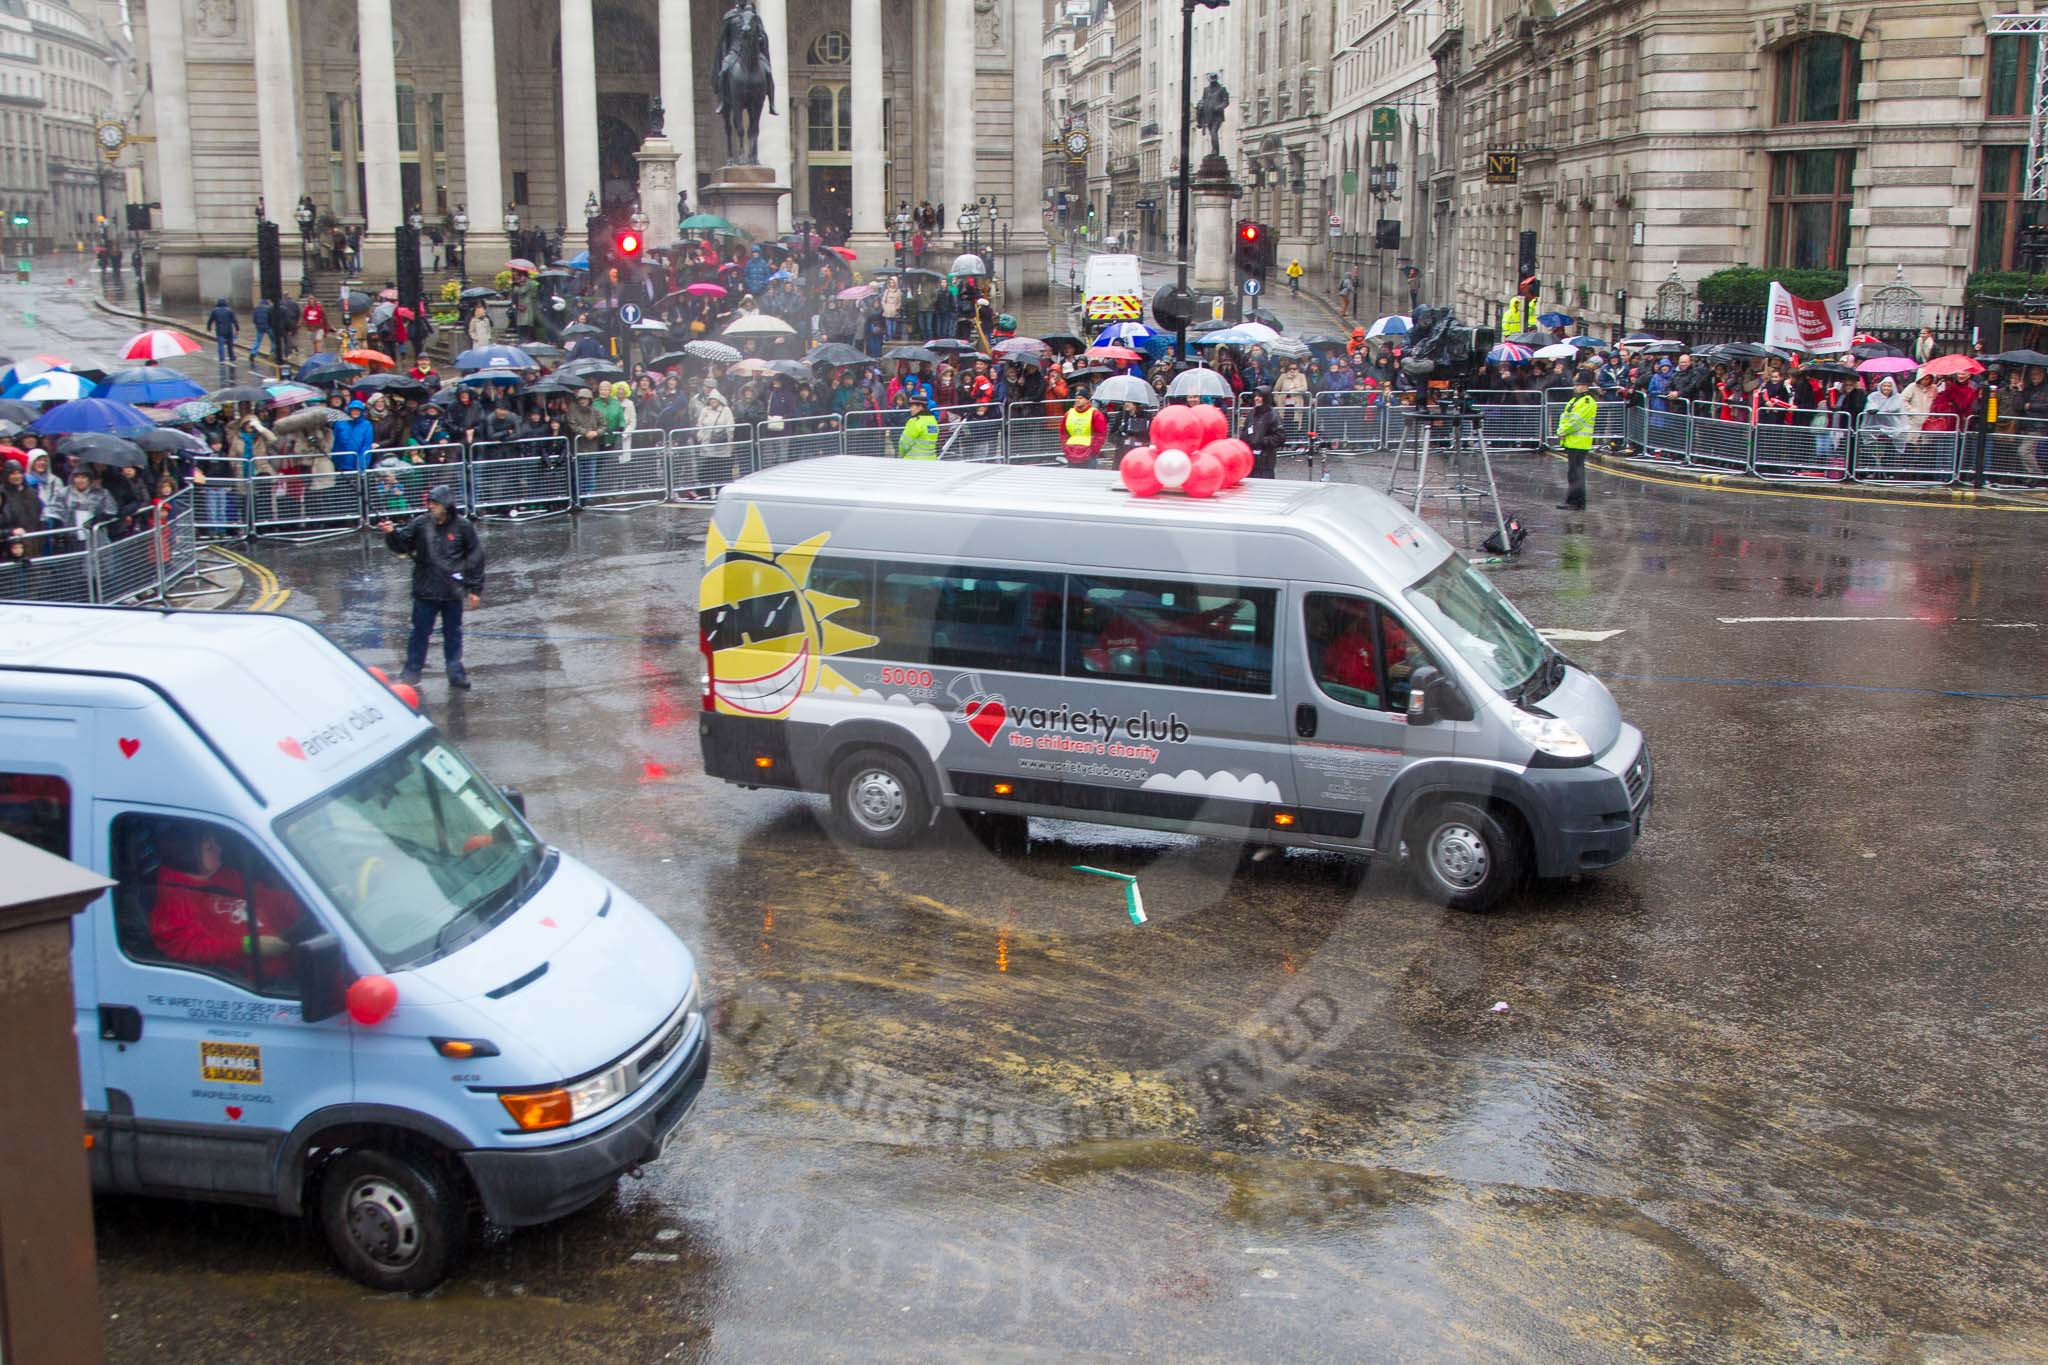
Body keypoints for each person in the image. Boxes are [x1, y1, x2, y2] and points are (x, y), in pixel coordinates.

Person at [149, 825, 304, 979]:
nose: (219, 848)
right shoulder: (173, 899)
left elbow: (265, 896)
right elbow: (186, 946)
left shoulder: (222, 875)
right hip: (255, 981)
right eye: (209, 847)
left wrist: (303, 906)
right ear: (188, 853)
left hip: (288, 951)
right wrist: (247, 945)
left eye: (216, 842)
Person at [377, 485, 485, 690]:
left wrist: (474, 589)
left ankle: (455, 672)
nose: (430, 507)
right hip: (425, 591)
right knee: (419, 634)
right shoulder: (420, 524)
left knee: (453, 634)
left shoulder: (463, 527)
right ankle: (411, 673)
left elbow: (475, 558)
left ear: (446, 505)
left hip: (452, 592)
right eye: (429, 503)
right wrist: (391, 534)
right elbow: (402, 546)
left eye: (434, 503)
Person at [1554, 373, 1596, 511]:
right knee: (1573, 474)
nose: (1576, 387)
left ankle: (1576, 502)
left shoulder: (1587, 402)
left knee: (1576, 474)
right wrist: (1561, 430)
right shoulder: (1575, 400)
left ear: (1585, 386)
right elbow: (1564, 417)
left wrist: (1563, 431)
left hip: (1579, 442)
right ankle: (1573, 500)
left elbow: (1576, 422)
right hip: (1572, 441)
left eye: (1578, 384)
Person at [1243, 386, 1285, 479]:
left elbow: (1280, 437)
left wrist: (1261, 440)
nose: (1256, 398)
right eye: (1255, 396)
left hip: (1266, 459)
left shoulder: (1273, 415)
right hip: (1251, 459)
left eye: (1260, 396)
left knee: (1265, 486)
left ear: (1266, 398)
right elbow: (1245, 430)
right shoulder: (1252, 413)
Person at [1061, 391, 1107, 466]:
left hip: (1088, 455)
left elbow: (1100, 434)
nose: (1077, 400)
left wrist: (1093, 451)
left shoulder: (1095, 414)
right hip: (1071, 452)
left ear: (1087, 400)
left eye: (1080, 398)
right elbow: (1063, 433)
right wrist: (1066, 448)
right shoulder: (1069, 413)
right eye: (1076, 398)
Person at [898, 394, 939, 459]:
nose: (910, 409)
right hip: (932, 461)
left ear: (920, 407)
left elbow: (904, 444)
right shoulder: (933, 421)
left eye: (912, 406)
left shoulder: (914, 422)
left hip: (913, 462)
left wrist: (901, 455)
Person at [207, 297, 238, 369]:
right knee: (230, 345)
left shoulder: (214, 311)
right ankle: (232, 357)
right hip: (229, 330)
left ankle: (222, 358)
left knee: (220, 345)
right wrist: (237, 329)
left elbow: (210, 320)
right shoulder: (230, 310)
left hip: (220, 331)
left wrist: (209, 327)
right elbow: (234, 320)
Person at [249, 297, 275, 367]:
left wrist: (257, 324)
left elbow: (254, 319)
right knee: (273, 341)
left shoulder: (256, 308)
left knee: (258, 341)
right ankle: (272, 354)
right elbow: (272, 318)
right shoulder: (269, 308)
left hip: (259, 327)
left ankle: (253, 353)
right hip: (269, 327)